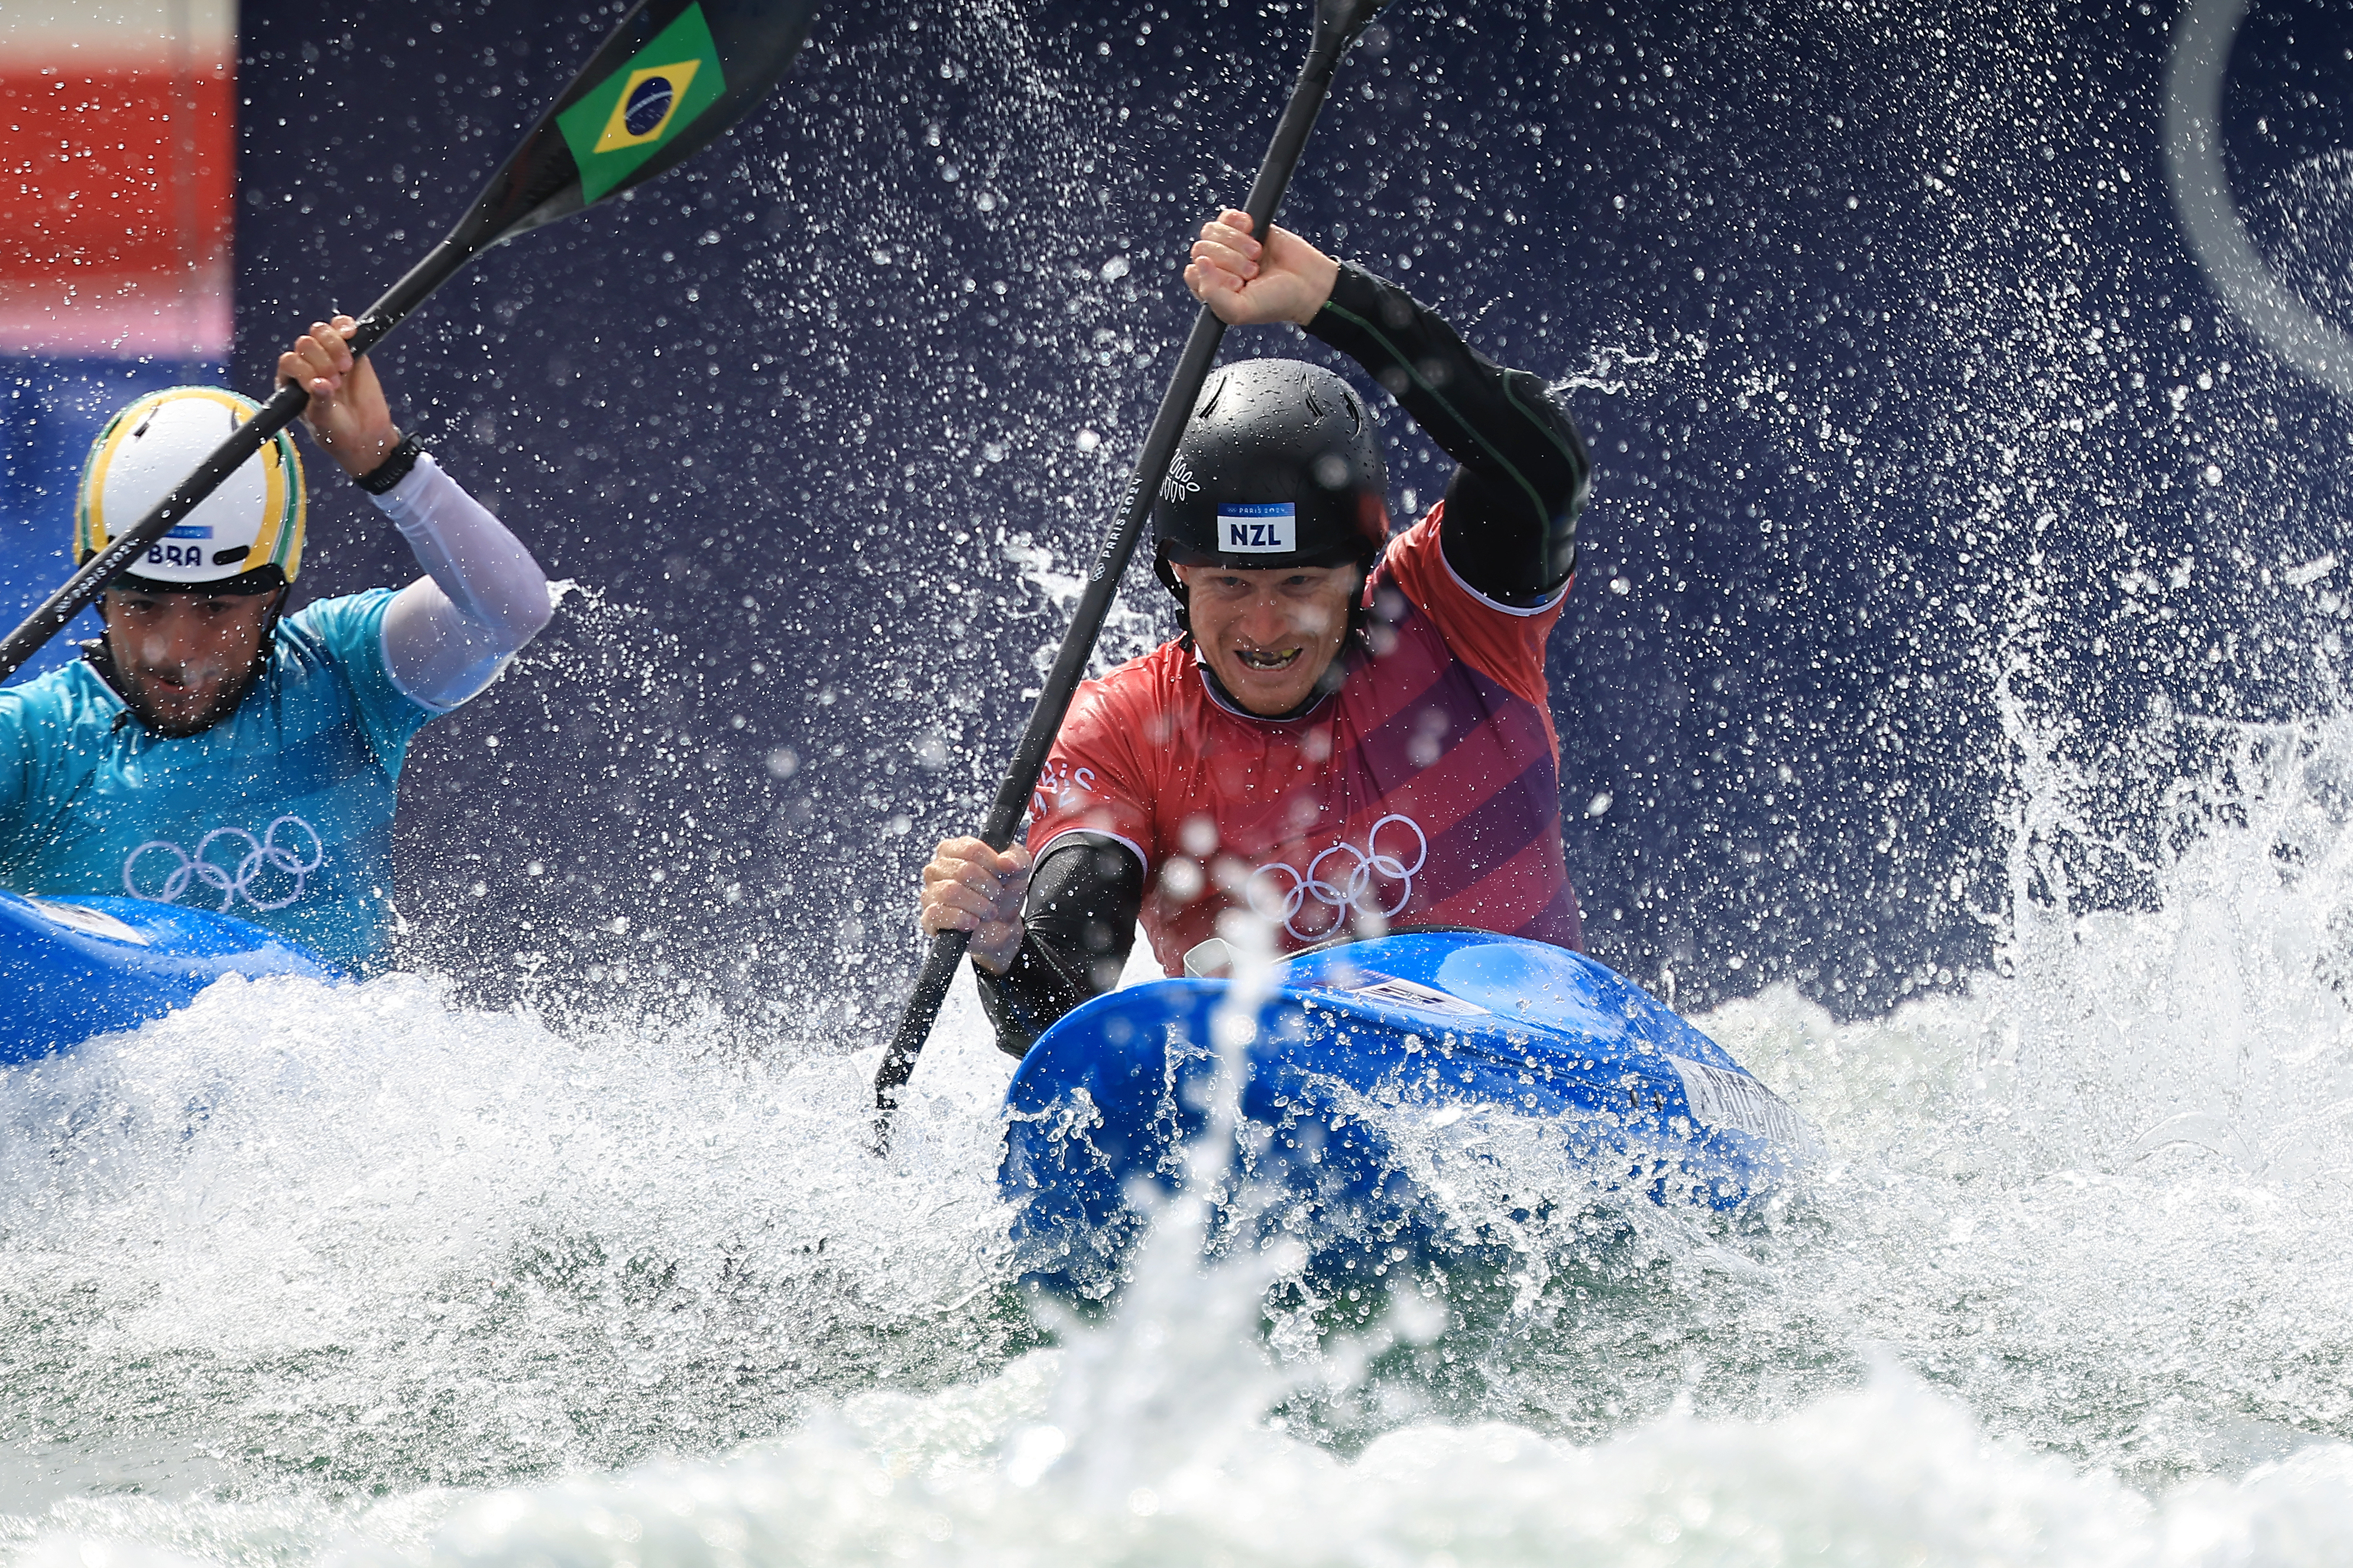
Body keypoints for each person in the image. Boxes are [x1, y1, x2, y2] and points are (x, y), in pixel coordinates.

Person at [921, 210, 1592, 1056]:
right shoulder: (1123, 731)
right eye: (1231, 582)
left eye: (1302, 581)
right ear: (1178, 574)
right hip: (1284, 1102)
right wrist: (1005, 947)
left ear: (1359, 568)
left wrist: (1333, 302)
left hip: (1544, 1059)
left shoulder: (1451, 617)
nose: (1266, 625)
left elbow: (1543, 466)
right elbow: (1058, 1014)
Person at [0, 317, 555, 970]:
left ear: (272, 597)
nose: (175, 648)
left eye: (215, 606)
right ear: (98, 593)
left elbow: (510, 611)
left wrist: (386, 462)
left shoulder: (341, 667)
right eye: (143, 604)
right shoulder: (34, 740)